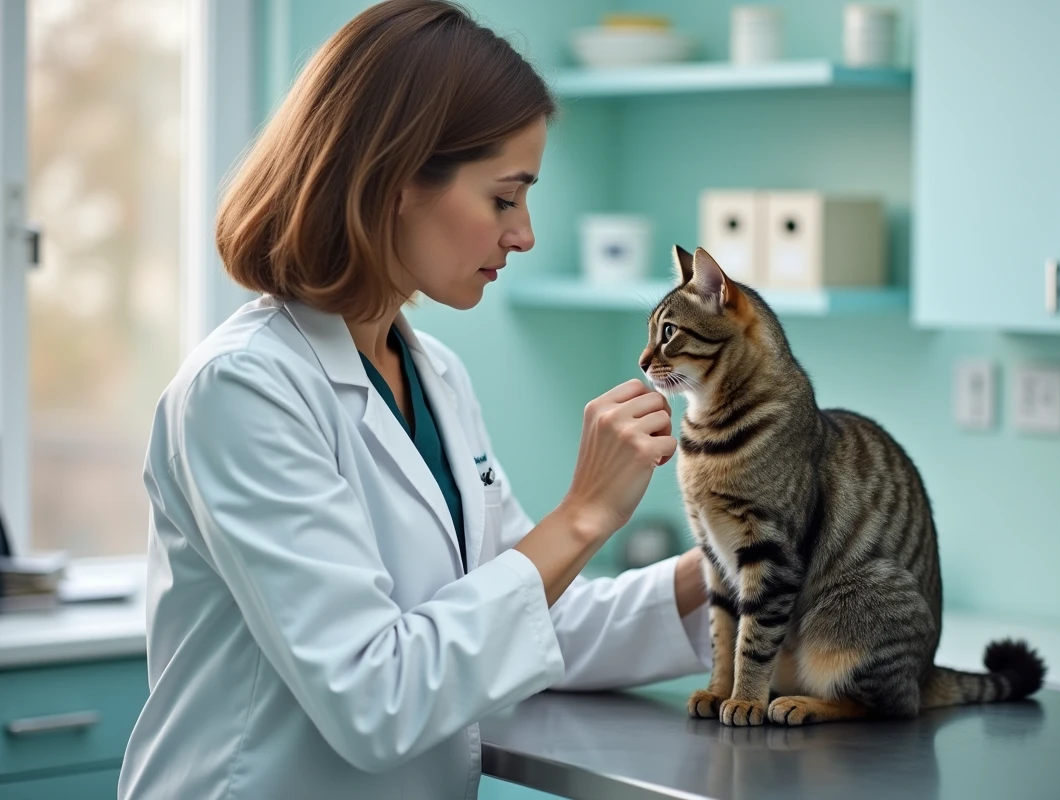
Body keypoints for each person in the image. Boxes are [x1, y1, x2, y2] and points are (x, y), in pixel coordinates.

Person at [117, 2, 710, 798]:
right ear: (396, 180)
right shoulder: (244, 390)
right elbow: (376, 696)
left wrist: (724, 569)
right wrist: (583, 515)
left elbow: (533, 614)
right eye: (504, 198)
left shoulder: (434, 375)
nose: (524, 234)